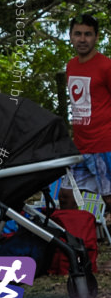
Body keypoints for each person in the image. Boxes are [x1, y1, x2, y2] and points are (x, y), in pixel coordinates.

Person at [64, 14, 111, 214]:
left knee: (109, 198)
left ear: (96, 37)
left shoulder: (106, 66)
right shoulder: (71, 65)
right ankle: (74, 244)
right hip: (80, 147)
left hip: (104, 144)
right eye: (78, 34)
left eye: (88, 34)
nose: (82, 39)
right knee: (66, 197)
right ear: (71, 36)